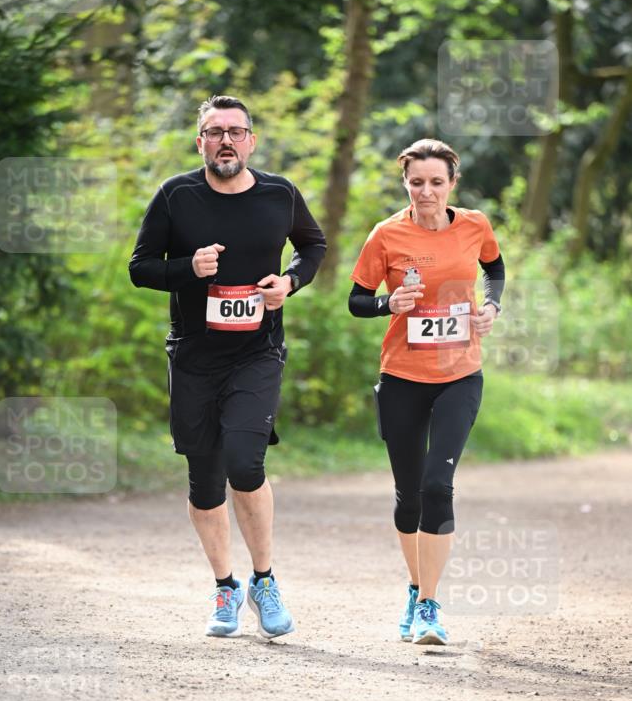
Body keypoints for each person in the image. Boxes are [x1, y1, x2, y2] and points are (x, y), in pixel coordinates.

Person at [129, 95, 326, 640]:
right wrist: (187, 268)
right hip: (194, 356)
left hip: (256, 352)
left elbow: (313, 245)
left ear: (251, 141)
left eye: (236, 132)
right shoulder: (176, 195)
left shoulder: (280, 193)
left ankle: (264, 580)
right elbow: (140, 268)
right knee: (205, 479)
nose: (226, 141)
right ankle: (225, 586)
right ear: (201, 142)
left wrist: (289, 282)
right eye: (215, 133)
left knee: (246, 460)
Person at [349, 138, 504, 645]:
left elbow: (494, 268)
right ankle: (417, 590)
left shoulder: (475, 225)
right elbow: (356, 300)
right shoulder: (386, 235)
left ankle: (432, 607)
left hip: (460, 374)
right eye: (417, 182)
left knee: (439, 485)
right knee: (409, 495)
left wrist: (492, 306)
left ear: (452, 183)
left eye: (437, 182)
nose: (427, 192)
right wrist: (388, 304)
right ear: (405, 183)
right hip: (402, 378)